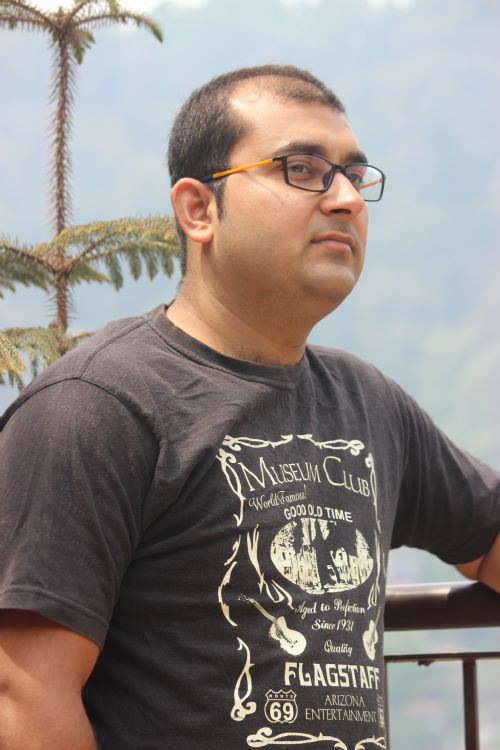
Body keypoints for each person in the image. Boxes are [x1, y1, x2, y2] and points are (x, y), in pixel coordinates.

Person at [0, 64, 499, 750]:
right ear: (198, 210)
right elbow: (26, 697)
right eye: (302, 169)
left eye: (354, 176)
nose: (345, 199)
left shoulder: (367, 403)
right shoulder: (98, 406)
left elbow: (488, 537)